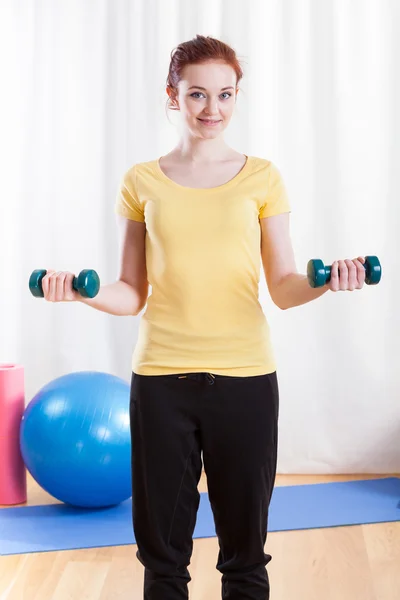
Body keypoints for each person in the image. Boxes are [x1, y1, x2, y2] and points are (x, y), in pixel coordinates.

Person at [41, 35, 367, 600]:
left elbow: (286, 289)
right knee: (162, 557)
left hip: (245, 381)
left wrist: (327, 281)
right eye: (197, 95)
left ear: (238, 96)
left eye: (224, 95)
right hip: (163, 381)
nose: (211, 109)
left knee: (245, 555)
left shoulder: (261, 177)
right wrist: (78, 293)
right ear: (173, 96)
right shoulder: (142, 181)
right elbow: (129, 292)